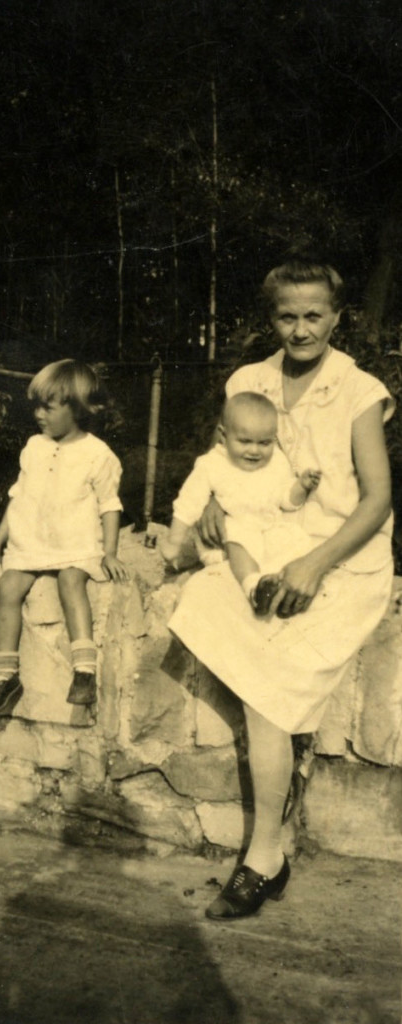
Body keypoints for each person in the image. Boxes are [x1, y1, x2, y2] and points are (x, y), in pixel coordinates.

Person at [168, 258, 394, 919]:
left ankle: (264, 855)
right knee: (216, 610)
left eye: (313, 315)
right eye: (286, 316)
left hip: (339, 560)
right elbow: (226, 458)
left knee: (267, 692)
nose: (299, 329)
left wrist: (315, 564)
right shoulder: (249, 380)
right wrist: (214, 503)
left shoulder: (357, 390)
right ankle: (286, 765)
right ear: (271, 319)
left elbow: (377, 499)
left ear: (335, 316)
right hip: (264, 550)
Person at [0, 359, 128, 717]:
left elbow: (110, 506)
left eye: (48, 406)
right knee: (8, 587)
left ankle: (84, 671)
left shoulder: (98, 455)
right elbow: (19, 497)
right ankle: (5, 677)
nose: (38, 414)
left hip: (74, 543)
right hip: (33, 542)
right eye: (36, 406)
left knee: (71, 582)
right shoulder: (34, 446)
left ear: (75, 408)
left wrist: (110, 552)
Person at [159, 390, 321, 614]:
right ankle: (253, 587)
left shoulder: (276, 462)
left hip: (265, 532)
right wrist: (174, 542)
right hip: (225, 542)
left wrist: (300, 487)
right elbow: (188, 504)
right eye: (244, 442)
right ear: (224, 436)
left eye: (264, 443)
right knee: (237, 534)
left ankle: (276, 590)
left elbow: (286, 500)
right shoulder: (212, 464)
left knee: (296, 540)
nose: (254, 451)